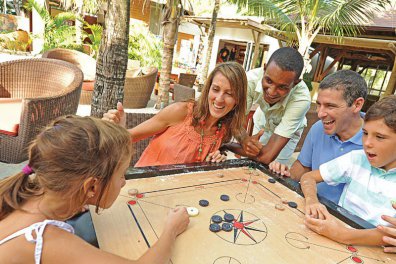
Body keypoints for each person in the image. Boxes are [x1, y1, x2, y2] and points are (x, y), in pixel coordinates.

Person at [0, 115, 190, 263]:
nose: (124, 182)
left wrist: (78, 200)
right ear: (91, 186)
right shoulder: (44, 239)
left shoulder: (22, 193)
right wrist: (171, 229)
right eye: (121, 174)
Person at [103, 62, 247, 167]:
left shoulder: (224, 128)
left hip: (181, 196)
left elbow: (236, 142)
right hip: (146, 185)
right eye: (215, 89)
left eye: (229, 93)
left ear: (237, 100)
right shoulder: (181, 111)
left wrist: (217, 156)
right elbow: (129, 137)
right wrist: (116, 128)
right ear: (208, 89)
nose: (220, 99)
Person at [300, 95, 396, 246]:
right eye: (365, 133)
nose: (367, 143)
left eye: (380, 137)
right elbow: (308, 177)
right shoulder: (356, 160)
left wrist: (343, 235)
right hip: (334, 237)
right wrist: (312, 201)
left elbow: (389, 234)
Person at [269, 70, 367, 203]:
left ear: (357, 104)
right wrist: (287, 173)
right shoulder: (318, 128)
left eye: (330, 106)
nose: (320, 114)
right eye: (319, 104)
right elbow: (304, 166)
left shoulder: (377, 142)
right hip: (311, 203)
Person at [225, 47, 311, 165]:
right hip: (262, 122)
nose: (271, 92)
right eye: (269, 81)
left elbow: (266, 157)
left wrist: (227, 145)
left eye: (282, 87)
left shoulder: (301, 99)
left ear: (295, 83)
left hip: (290, 131)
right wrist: (244, 139)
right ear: (264, 69)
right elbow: (236, 122)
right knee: (250, 163)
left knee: (274, 169)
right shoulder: (249, 80)